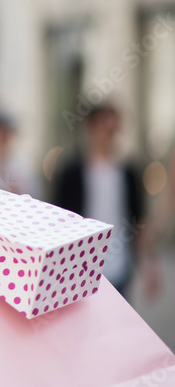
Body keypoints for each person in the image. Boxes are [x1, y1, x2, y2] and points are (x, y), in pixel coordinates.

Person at [53, 102, 162, 301]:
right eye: (105, 127)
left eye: (113, 129)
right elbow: (57, 220)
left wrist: (150, 266)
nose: (109, 134)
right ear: (92, 128)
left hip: (120, 266)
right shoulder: (72, 172)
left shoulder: (128, 173)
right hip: (80, 266)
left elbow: (139, 222)